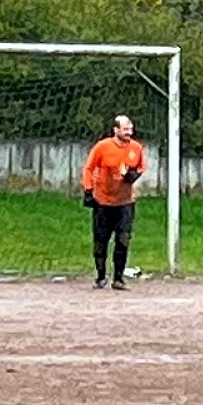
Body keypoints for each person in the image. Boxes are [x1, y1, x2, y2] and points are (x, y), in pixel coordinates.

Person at [81, 115, 146, 291]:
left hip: (125, 202)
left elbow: (141, 166)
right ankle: (101, 276)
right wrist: (88, 190)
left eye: (130, 129)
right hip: (103, 201)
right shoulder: (103, 147)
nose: (129, 133)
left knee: (123, 239)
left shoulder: (136, 148)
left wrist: (134, 175)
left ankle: (118, 278)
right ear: (116, 130)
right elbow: (88, 168)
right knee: (100, 240)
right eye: (125, 129)